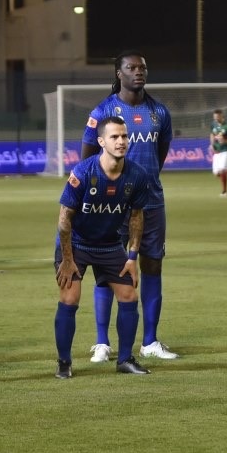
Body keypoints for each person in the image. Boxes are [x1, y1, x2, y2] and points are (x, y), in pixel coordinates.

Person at [80, 51, 176, 362]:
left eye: (143, 67)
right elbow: (86, 157)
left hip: (151, 201)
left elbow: (160, 153)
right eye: (131, 68)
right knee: (107, 268)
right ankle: (102, 342)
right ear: (118, 73)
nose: (139, 72)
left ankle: (150, 341)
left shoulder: (158, 112)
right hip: (109, 204)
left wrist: (144, 183)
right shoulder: (103, 111)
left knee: (152, 265)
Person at [53, 115, 154, 378]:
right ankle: (64, 363)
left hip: (109, 245)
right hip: (75, 244)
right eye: (114, 137)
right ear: (101, 141)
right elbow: (64, 220)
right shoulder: (83, 173)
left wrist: (132, 257)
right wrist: (66, 259)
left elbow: (136, 218)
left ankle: (125, 360)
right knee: (70, 298)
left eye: (124, 136)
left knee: (129, 296)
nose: (121, 141)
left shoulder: (137, 175)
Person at [209, 108, 227, 196]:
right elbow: (212, 134)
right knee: (216, 173)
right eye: (215, 117)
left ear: (221, 116)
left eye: (217, 117)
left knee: (222, 170)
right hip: (217, 151)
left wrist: (225, 141)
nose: (216, 119)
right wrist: (212, 144)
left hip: (226, 151)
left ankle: (224, 191)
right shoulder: (213, 125)